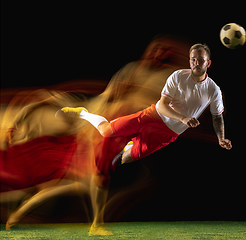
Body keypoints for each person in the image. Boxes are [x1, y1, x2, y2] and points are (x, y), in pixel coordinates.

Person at [57, 43, 232, 235]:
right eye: (193, 59)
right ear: (190, 61)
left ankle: (121, 150)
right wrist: (182, 118)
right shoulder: (177, 77)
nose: (196, 63)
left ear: (208, 62)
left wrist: (221, 138)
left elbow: (217, 117)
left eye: (201, 60)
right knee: (106, 131)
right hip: (150, 116)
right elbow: (163, 106)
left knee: (127, 158)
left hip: (167, 135)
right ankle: (84, 114)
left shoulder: (214, 91)